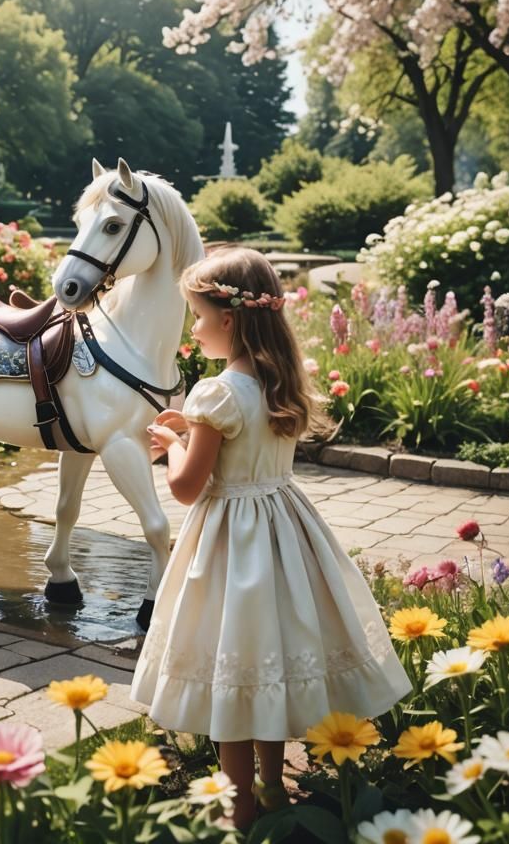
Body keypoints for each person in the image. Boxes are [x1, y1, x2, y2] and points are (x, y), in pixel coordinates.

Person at [130, 248, 410, 828]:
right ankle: (273, 787)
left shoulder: (215, 393)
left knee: (233, 670)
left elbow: (186, 488)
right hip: (283, 532)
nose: (193, 329)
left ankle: (238, 805)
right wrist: (196, 432)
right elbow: (244, 443)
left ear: (229, 319)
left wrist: (173, 443)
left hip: (230, 543)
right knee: (267, 660)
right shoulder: (278, 380)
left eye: (198, 316)